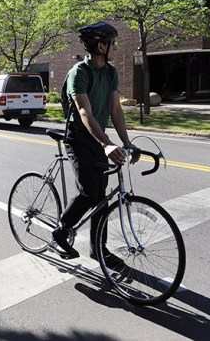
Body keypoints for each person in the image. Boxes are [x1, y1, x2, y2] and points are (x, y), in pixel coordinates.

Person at [53, 22, 139, 267]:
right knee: (90, 192)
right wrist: (107, 144)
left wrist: (126, 142)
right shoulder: (79, 72)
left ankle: (98, 249)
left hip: (100, 139)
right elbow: (84, 112)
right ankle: (61, 231)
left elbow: (115, 109)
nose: (115, 46)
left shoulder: (110, 72)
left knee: (102, 196)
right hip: (79, 139)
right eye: (112, 42)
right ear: (101, 45)